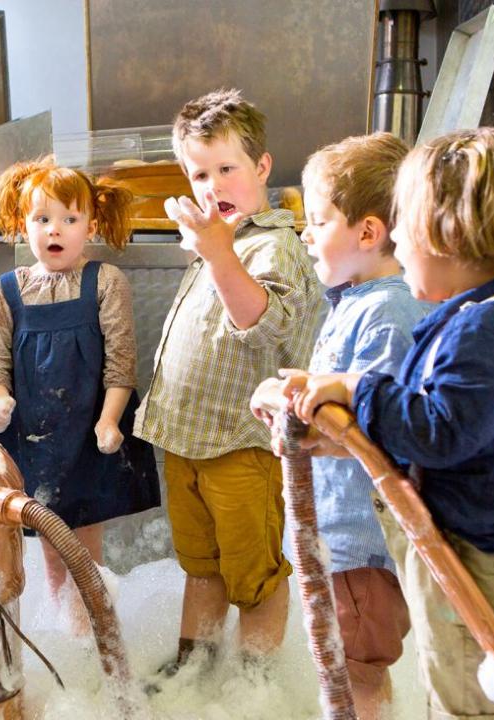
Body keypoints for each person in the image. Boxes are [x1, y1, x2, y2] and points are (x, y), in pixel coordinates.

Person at [288, 126, 494, 719]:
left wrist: (359, 386)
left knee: (469, 708)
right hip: (483, 554)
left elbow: (436, 431)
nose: (398, 244)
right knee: (461, 699)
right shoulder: (471, 317)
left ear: (449, 236)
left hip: (487, 569)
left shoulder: (485, 331)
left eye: (404, 228)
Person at [134, 88, 320, 677]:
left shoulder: (273, 245)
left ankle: (254, 686)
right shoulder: (218, 243)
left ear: (262, 168)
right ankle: (195, 666)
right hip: (190, 442)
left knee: (256, 576)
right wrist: (214, 251)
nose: (212, 186)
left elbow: (259, 324)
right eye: (199, 173)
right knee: (201, 565)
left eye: (227, 169)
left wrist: (218, 256)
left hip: (243, 447)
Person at [253, 132, 429, 719]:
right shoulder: (357, 300)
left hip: (363, 547)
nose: (305, 233)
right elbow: (344, 401)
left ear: (368, 232)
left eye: (318, 220)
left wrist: (295, 421)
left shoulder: (388, 312)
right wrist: (294, 397)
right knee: (352, 671)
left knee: (357, 674)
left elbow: (378, 430)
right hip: (341, 540)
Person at [0, 157, 160, 621]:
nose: (54, 230)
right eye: (42, 219)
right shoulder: (9, 289)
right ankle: (66, 628)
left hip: (88, 433)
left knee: (83, 543)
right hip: (34, 434)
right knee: (47, 537)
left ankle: (91, 631)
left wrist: (109, 418)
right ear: (24, 225)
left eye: (69, 219)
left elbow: (122, 363)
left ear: (91, 226)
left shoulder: (105, 282)